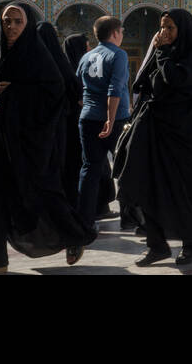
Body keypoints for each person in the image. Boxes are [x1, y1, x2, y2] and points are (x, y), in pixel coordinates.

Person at [0, 4, 96, 274]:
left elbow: (54, 92)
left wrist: (14, 92)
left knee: (42, 195)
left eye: (17, 21)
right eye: (7, 21)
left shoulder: (36, 55)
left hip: (29, 143)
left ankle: (75, 235)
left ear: (26, 24)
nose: (11, 27)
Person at [114, 8, 192, 268]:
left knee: (185, 193)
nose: (164, 33)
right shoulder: (160, 53)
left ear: (183, 31)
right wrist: (156, 54)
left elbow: (177, 79)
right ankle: (157, 245)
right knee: (146, 185)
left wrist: (162, 53)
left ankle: (191, 247)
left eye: (170, 28)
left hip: (185, 136)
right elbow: (141, 83)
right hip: (156, 131)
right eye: (161, 28)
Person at [74, 17, 129, 228]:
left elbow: (79, 86)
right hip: (114, 120)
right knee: (124, 168)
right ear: (115, 33)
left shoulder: (87, 56)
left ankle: (84, 221)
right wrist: (110, 118)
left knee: (89, 169)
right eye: (121, 32)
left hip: (87, 118)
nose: (122, 35)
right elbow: (114, 90)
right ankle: (130, 217)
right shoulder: (118, 55)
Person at [34, 21, 81, 208]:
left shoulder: (32, 62)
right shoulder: (61, 63)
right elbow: (76, 91)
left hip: (40, 127)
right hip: (65, 126)